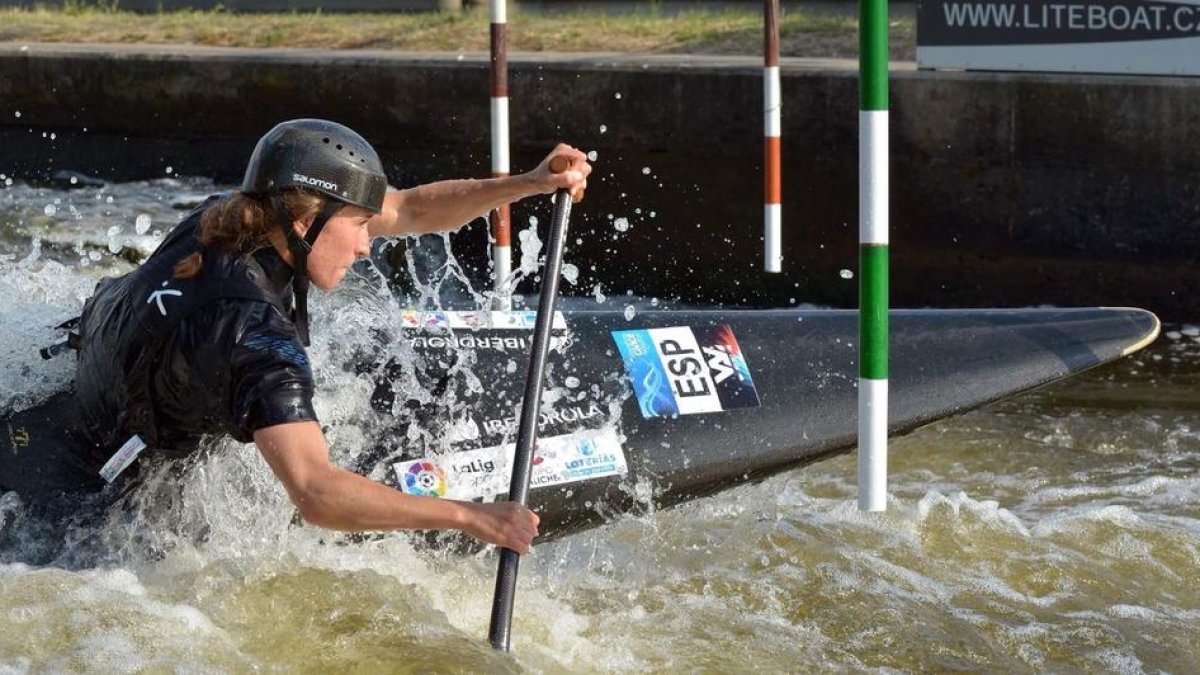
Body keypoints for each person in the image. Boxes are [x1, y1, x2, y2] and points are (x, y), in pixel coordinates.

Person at [56, 118, 590, 555]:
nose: (366, 247)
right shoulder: (254, 335)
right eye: (359, 226)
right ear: (305, 219)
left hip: (89, 364)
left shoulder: (225, 214)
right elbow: (316, 493)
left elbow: (409, 209)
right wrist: (472, 516)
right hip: (108, 484)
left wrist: (529, 183)